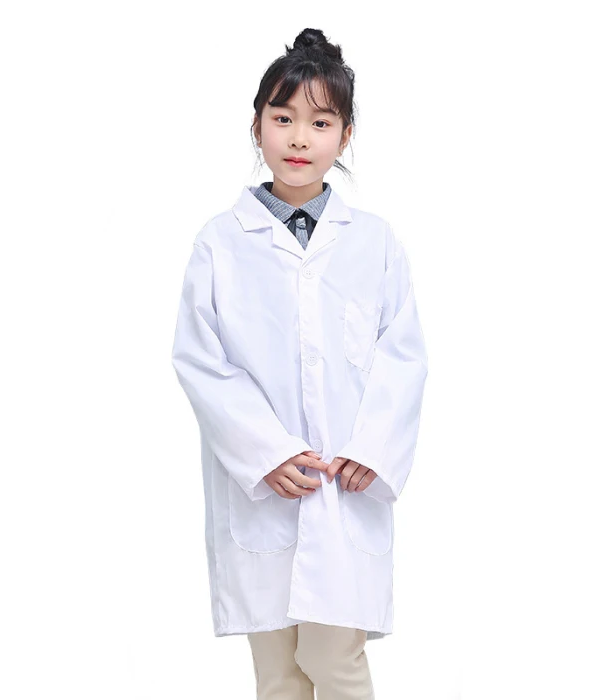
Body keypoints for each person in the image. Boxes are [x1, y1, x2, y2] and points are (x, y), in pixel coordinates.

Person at [171, 27, 428, 700]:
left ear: (345, 136)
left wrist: (374, 447)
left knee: (335, 662)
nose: (298, 138)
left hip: (345, 484)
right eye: (282, 118)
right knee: (280, 676)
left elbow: (402, 356)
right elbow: (201, 360)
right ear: (257, 125)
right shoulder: (221, 243)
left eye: (320, 122)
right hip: (264, 492)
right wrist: (265, 452)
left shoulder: (372, 242)